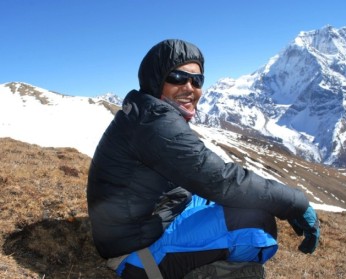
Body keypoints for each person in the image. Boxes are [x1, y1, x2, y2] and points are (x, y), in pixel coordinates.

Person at [87, 39, 320, 279]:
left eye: (197, 80)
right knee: (257, 223)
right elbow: (221, 180)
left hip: (144, 224)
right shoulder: (155, 123)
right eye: (178, 77)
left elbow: (206, 175)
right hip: (134, 250)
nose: (189, 87)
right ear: (156, 79)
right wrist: (295, 202)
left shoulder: (145, 111)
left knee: (242, 202)